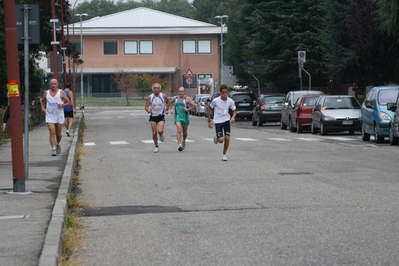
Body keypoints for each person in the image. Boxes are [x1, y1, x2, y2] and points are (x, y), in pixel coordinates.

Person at [41, 79, 71, 156]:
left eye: (54, 84)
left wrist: (63, 105)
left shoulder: (61, 93)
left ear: (57, 85)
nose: (53, 85)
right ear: (49, 85)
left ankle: (58, 143)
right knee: (52, 132)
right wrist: (43, 108)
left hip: (59, 116)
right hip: (49, 115)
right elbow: (43, 101)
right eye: (52, 84)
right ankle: (53, 149)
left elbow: (69, 102)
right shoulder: (46, 93)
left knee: (58, 134)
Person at [207, 84, 237, 161]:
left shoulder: (230, 101)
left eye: (226, 92)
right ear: (220, 92)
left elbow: (234, 111)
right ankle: (217, 138)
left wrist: (233, 118)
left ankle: (224, 154)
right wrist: (209, 120)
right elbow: (209, 109)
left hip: (226, 120)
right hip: (218, 121)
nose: (225, 94)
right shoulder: (215, 100)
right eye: (223, 92)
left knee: (227, 138)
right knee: (221, 140)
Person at [144, 83, 170, 153]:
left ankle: (161, 135)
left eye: (157, 88)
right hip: (153, 116)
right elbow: (146, 106)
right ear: (153, 89)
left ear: (160, 89)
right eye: (155, 88)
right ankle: (156, 146)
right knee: (154, 132)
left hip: (161, 115)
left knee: (160, 131)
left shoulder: (163, 96)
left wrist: (167, 110)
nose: (156, 89)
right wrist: (148, 110)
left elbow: (168, 103)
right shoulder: (150, 97)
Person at [169, 87, 196, 151]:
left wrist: (188, 109)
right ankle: (179, 145)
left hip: (185, 117)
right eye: (180, 91)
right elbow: (170, 102)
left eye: (182, 91)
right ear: (178, 92)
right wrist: (171, 109)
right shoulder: (175, 98)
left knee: (185, 132)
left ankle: (183, 140)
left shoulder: (187, 99)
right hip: (177, 117)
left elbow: (194, 106)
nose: (181, 93)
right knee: (179, 130)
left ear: (184, 92)